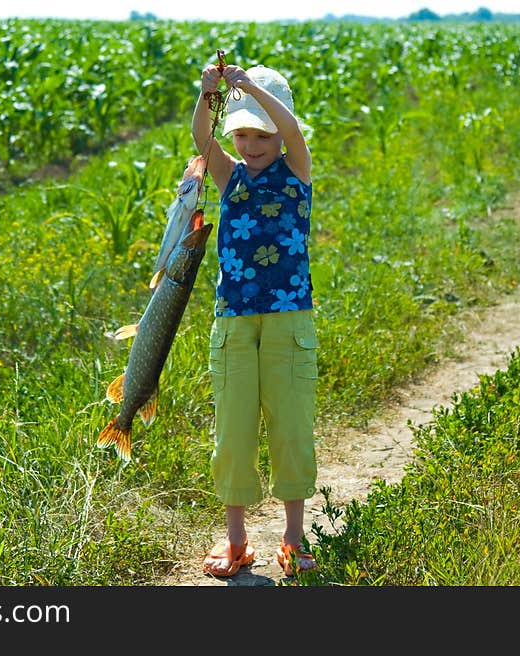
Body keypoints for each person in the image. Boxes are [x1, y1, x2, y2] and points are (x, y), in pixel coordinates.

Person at [192, 62, 319, 578]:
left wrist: (248, 91)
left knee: (290, 427)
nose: (250, 143)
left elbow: (291, 131)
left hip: (289, 318)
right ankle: (237, 540)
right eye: (241, 133)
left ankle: (293, 536)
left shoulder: (296, 170)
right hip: (234, 321)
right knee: (234, 432)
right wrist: (210, 93)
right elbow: (202, 135)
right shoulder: (229, 175)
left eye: (260, 133)